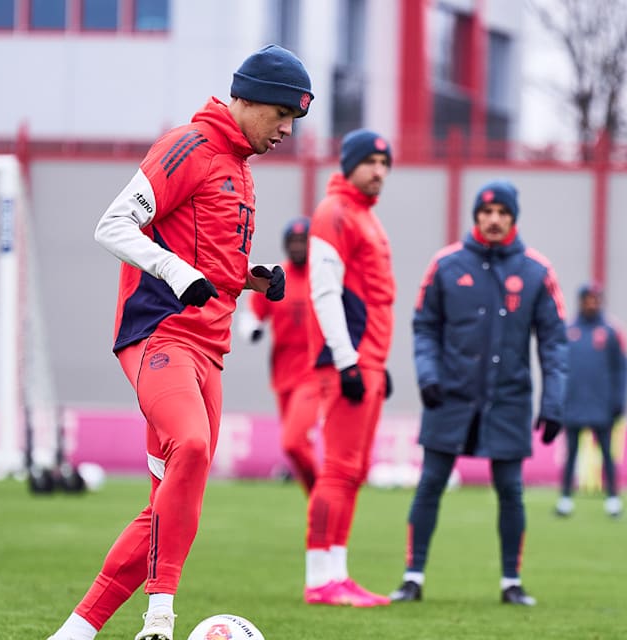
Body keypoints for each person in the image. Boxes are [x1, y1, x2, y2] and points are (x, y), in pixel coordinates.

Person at [47, 44, 313, 640]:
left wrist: (247, 277)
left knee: (167, 505)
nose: (288, 130)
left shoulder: (241, 168)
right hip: (159, 335)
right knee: (189, 446)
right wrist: (176, 273)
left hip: (210, 351)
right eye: (282, 115)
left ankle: (75, 632)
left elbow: (205, 253)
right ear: (248, 99)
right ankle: (159, 620)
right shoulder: (187, 145)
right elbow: (113, 224)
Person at [389, 179, 568, 607]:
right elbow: (424, 326)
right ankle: (413, 577)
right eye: (486, 212)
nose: (493, 220)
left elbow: (554, 343)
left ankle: (511, 582)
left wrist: (554, 401)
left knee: (510, 489)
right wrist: (427, 375)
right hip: (449, 395)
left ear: (512, 219)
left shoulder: (537, 271)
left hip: (508, 399)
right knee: (430, 483)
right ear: (475, 217)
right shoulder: (446, 264)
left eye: (502, 213)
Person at [301, 128, 397, 607]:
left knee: (354, 472)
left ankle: (337, 572)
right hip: (348, 361)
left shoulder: (365, 215)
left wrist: (377, 361)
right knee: (337, 471)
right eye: (371, 162)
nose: (379, 171)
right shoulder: (334, 212)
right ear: (349, 164)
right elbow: (324, 291)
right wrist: (348, 360)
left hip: (368, 359)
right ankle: (320, 578)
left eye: (386, 163)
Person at [238, 216, 326, 495]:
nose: (298, 246)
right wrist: (252, 330)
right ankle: (318, 503)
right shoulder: (277, 277)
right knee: (298, 447)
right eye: (293, 241)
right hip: (283, 377)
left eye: (303, 241)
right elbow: (252, 313)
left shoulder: (324, 278)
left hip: (314, 375)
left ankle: (324, 498)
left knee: (293, 442)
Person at [556, 282, 627, 518]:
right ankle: (565, 499)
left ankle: (613, 500)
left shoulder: (611, 331)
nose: (592, 303)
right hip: (574, 403)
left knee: (607, 454)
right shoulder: (568, 330)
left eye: (596, 299)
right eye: (588, 299)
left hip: (602, 405)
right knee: (572, 453)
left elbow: (622, 369)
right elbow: (558, 367)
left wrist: (618, 401)